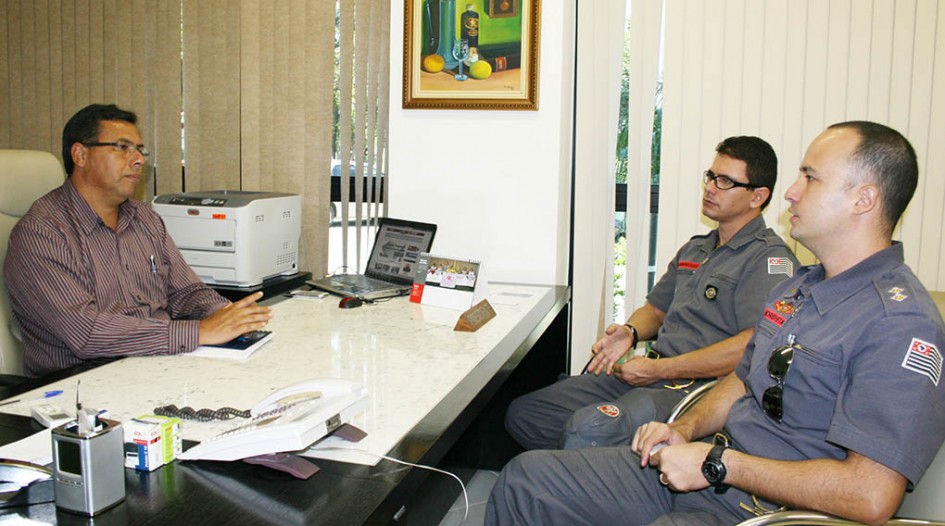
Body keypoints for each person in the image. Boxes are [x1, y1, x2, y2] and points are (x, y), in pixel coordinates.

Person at [487, 121, 945, 525]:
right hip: (714, 468)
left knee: (584, 436)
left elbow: (870, 495)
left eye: (810, 177)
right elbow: (741, 379)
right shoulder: (799, 289)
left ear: (863, 199)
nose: (791, 191)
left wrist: (721, 464)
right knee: (526, 479)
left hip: (762, 508)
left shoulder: (899, 322)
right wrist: (683, 430)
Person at [506, 136, 799, 451]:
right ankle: (599, 466)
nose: (711, 187)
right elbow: (657, 310)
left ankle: (605, 470)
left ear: (758, 196)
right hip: (651, 373)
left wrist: (662, 369)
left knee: (589, 429)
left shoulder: (769, 261)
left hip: (694, 390)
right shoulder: (696, 247)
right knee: (526, 414)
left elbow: (752, 348)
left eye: (726, 181)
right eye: (711, 176)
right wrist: (630, 333)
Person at [4, 104, 272, 377]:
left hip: (155, 364)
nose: (138, 160)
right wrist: (201, 331)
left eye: (140, 150)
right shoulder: (42, 233)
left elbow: (185, 292)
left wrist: (228, 314)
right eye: (122, 147)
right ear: (81, 155)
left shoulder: (144, 217)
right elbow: (86, 333)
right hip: (82, 383)